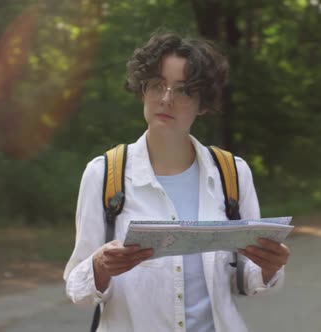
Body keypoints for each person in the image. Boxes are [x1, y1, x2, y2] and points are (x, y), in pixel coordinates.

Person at [63, 31, 291, 332]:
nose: (167, 99)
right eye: (158, 85)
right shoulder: (104, 174)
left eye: (183, 91)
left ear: (204, 104)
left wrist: (269, 267)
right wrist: (100, 266)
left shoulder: (232, 174)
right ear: (143, 90)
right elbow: (78, 289)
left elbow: (246, 279)